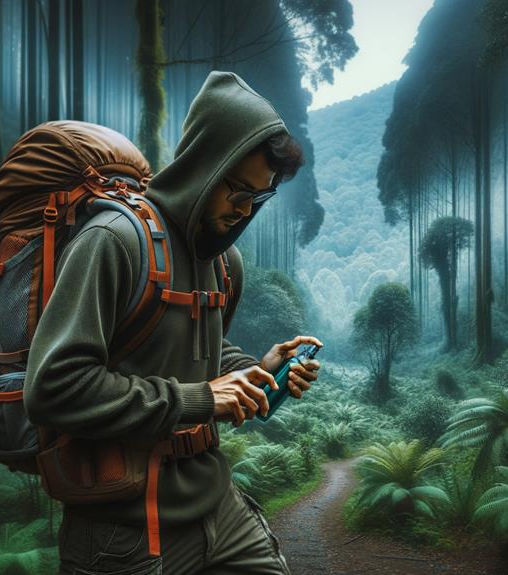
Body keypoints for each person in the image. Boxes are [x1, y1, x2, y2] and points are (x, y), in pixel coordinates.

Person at [24, 71, 323, 574]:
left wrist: (258, 370)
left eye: (259, 197)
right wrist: (203, 399)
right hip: (123, 527)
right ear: (204, 164)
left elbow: (198, 350)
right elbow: (52, 387)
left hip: (216, 506)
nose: (244, 209)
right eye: (237, 190)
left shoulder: (224, 262)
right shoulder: (114, 240)